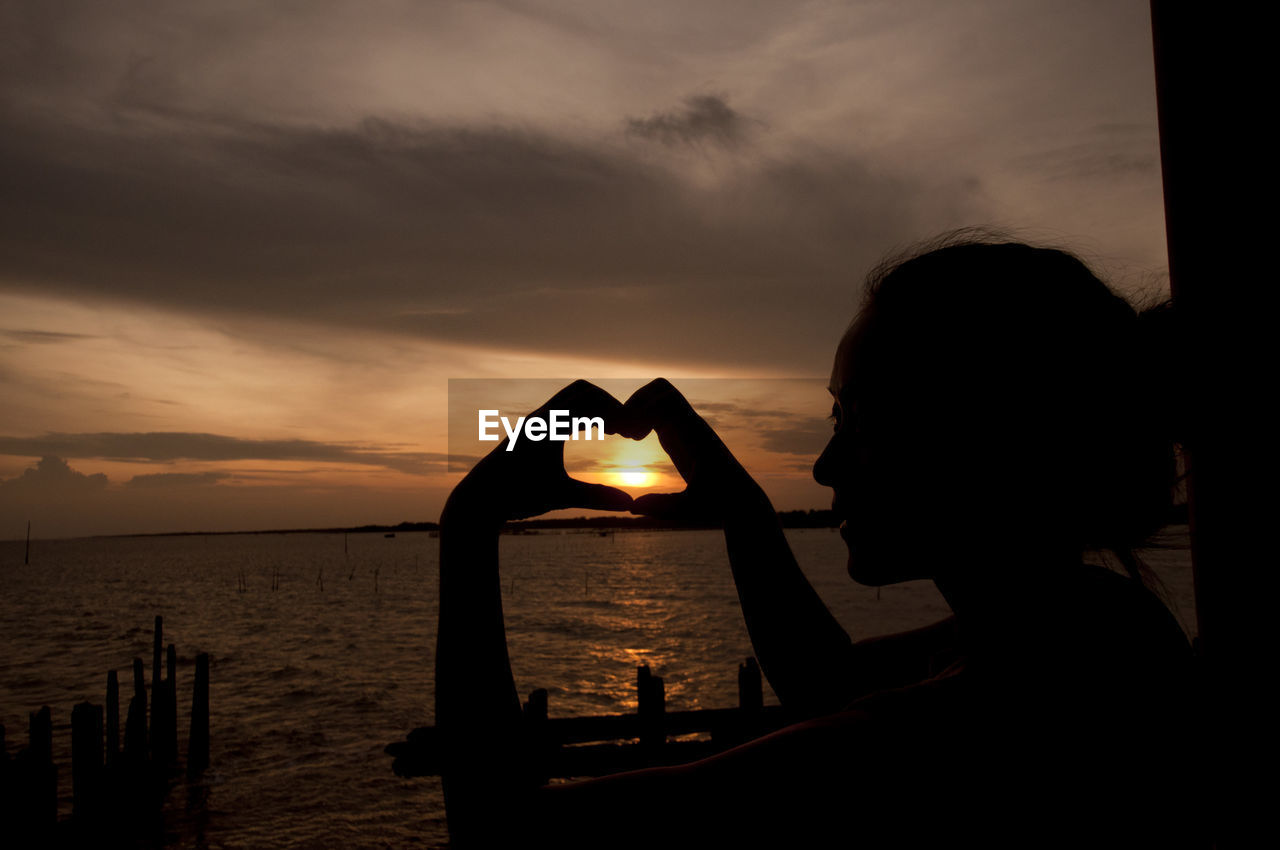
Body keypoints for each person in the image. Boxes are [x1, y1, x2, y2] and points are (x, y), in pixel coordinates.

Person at [434, 237, 1203, 847]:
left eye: (861, 423)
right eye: (836, 420)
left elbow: (502, 833)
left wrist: (469, 524)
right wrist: (741, 507)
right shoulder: (1100, 623)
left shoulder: (971, 728)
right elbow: (825, 677)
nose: (825, 463)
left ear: (992, 436)